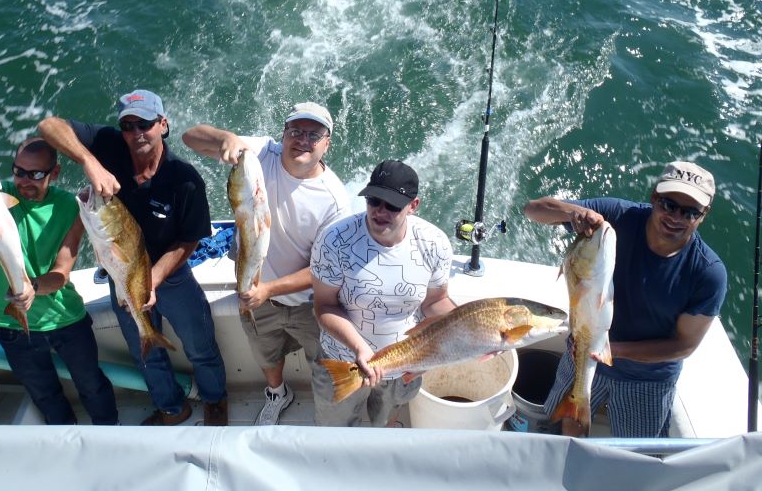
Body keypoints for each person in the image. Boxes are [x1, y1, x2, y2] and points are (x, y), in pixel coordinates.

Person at [38, 89, 228, 426]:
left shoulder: (185, 180)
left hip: (171, 275)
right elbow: (48, 126)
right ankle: (172, 407)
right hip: (121, 275)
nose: (136, 132)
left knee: (200, 344)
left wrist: (151, 279)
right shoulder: (110, 144)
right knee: (146, 351)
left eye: (145, 123)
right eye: (128, 125)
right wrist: (89, 162)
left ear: (163, 124)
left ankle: (215, 398)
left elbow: (190, 240)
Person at [524, 161, 727, 438]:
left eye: (690, 212)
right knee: (566, 426)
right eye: (668, 204)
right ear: (654, 197)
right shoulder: (617, 217)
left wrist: (611, 350)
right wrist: (578, 213)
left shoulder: (708, 273)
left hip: (647, 378)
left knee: (635, 449)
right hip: (582, 349)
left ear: (703, 215)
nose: (676, 217)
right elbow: (533, 209)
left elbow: (683, 346)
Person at [182, 102, 350, 425]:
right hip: (255, 294)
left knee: (324, 362)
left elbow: (324, 270)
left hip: (308, 302)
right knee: (265, 354)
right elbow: (190, 138)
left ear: (327, 143)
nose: (302, 140)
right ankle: (277, 392)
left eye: (313, 135)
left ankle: (328, 413)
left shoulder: (335, 201)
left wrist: (269, 288)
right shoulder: (260, 153)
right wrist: (225, 138)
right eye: (295, 131)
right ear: (283, 134)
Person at [0, 137, 119, 425]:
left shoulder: (70, 207)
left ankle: (111, 431)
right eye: (19, 171)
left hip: (65, 319)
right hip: (13, 323)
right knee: (43, 393)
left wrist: (32, 288)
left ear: (55, 173)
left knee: (92, 385)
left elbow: (62, 271)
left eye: (36, 174)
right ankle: (65, 434)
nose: (25, 181)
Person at [310, 160, 455, 427]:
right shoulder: (334, 240)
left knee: (385, 420)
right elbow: (324, 305)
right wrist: (360, 350)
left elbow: (435, 302)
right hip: (343, 360)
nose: (380, 211)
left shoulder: (435, 244)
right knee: (334, 428)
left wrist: (471, 326)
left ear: (413, 205)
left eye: (392, 205)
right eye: (374, 201)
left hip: (405, 363)